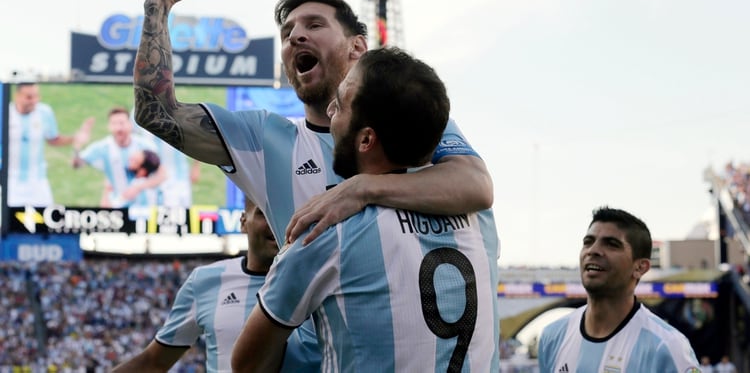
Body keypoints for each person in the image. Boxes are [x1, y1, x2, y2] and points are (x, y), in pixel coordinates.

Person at [133, 0, 493, 249]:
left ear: (357, 46)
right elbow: (157, 113)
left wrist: (361, 189)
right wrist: (159, 2)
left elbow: (476, 185)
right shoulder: (263, 139)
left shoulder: (405, 112)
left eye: (315, 25)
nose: (296, 36)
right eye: (287, 33)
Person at [230, 47, 500, 372]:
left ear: (366, 140)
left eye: (341, 104)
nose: (330, 109)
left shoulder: (324, 233)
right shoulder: (480, 218)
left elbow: (247, 364)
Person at [112, 196, 319, 372]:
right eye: (264, 213)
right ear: (243, 222)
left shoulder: (321, 279)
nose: (276, 222)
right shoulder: (205, 281)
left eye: (286, 213)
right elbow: (154, 362)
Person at [538, 206, 700, 372]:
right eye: (588, 242)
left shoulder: (667, 347)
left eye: (611, 244)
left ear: (640, 267)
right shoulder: (553, 336)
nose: (593, 250)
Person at [7, 82, 94, 207]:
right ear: (17, 96)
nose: (34, 101)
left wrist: (75, 138)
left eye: (36, 96)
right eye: (29, 97)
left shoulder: (44, 112)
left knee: (44, 221)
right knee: (11, 223)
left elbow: (53, 139)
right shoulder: (5, 113)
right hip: (11, 181)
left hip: (38, 182)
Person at [72, 107, 165, 207]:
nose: (118, 128)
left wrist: (139, 187)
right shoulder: (102, 148)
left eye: (121, 123)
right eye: (114, 124)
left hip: (149, 207)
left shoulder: (145, 145)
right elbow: (77, 164)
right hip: (121, 208)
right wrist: (77, 146)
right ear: (109, 126)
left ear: (130, 124)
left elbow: (162, 175)